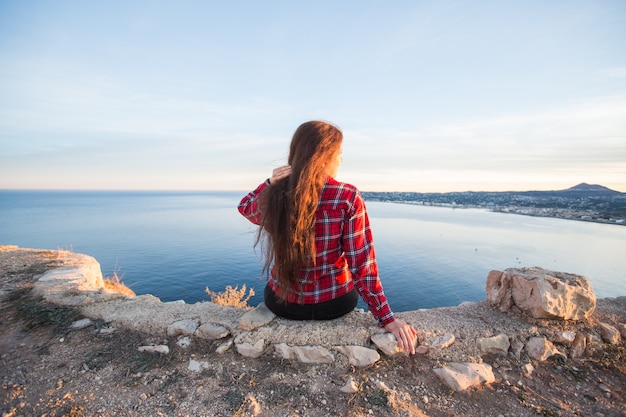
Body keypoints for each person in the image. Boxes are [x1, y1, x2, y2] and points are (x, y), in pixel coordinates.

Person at [238, 120, 418, 354]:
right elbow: (362, 265)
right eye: (339, 154)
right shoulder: (347, 197)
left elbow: (246, 207)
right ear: (324, 157)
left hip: (284, 304)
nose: (341, 160)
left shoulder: (278, 193)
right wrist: (387, 318)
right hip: (334, 304)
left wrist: (270, 183)